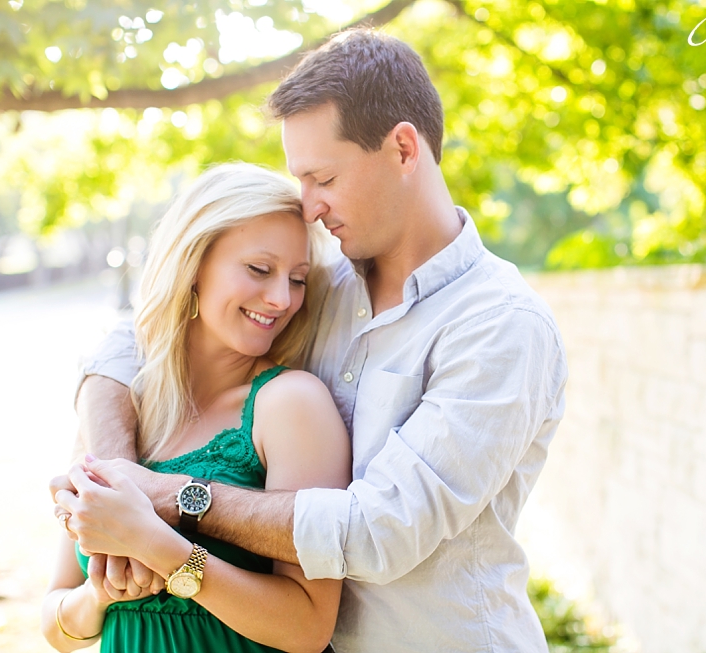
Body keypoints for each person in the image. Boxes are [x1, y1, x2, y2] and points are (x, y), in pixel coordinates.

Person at [53, 28, 567, 652]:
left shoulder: (501, 326)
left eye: (323, 177)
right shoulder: (318, 286)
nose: (309, 206)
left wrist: (166, 499)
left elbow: (379, 531)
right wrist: (115, 476)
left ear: (404, 149)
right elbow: (133, 340)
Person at [43, 163, 351, 653]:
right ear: (193, 264)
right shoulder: (121, 407)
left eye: (297, 279)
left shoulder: (290, 404)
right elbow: (56, 624)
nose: (281, 299)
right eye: (259, 269)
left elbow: (309, 628)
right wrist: (100, 595)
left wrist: (158, 548)